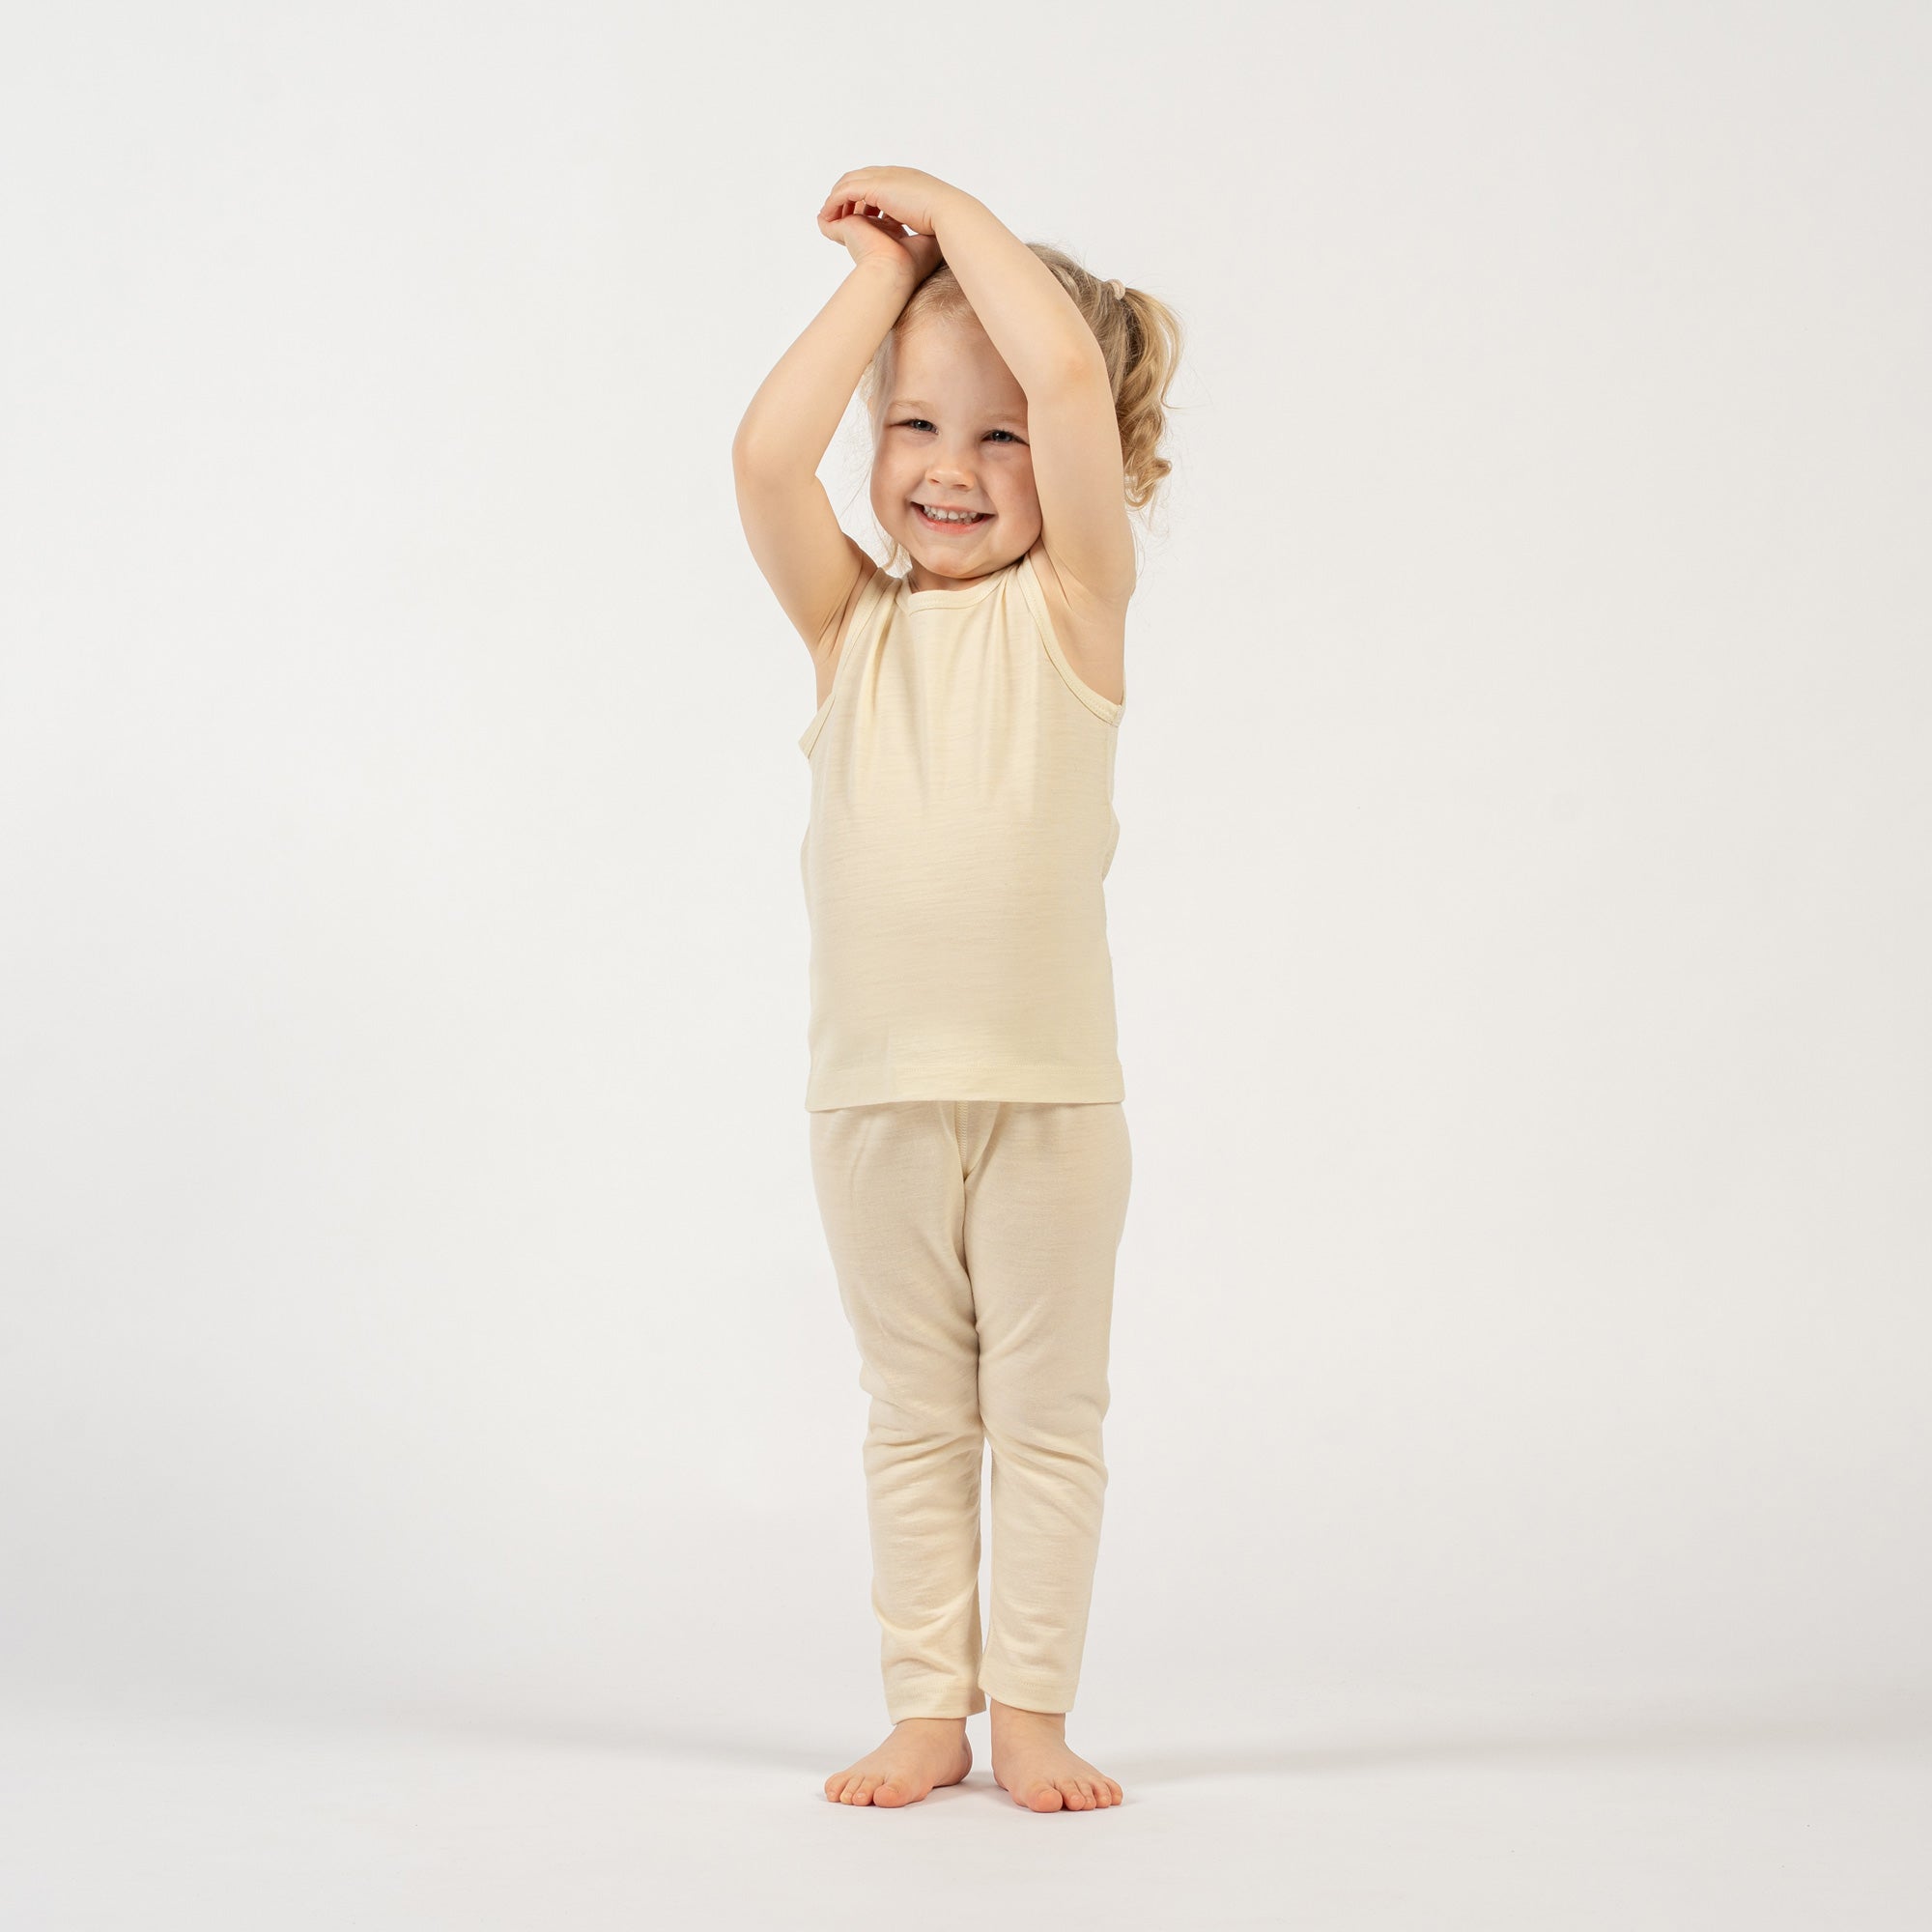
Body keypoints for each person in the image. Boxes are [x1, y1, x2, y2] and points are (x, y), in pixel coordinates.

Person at [732, 166, 1182, 1813]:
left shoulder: (1079, 615)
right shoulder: (850, 630)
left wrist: (950, 210)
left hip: (1054, 1102)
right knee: (918, 1418)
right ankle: (929, 1704)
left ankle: (1036, 1716)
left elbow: (1064, 370)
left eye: (1000, 441)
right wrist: (880, 282)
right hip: (872, 1101)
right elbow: (764, 460)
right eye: (918, 427)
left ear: (1086, 471)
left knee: (1046, 1421)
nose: (952, 470)